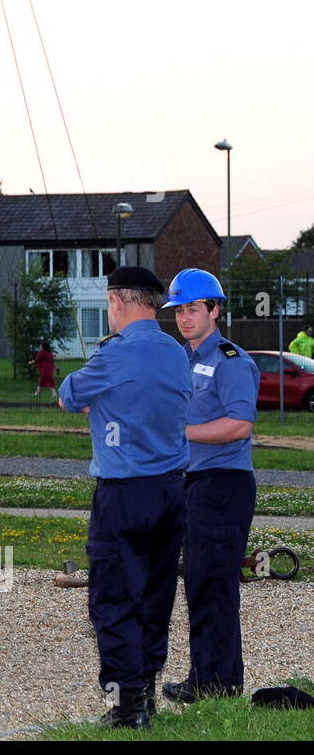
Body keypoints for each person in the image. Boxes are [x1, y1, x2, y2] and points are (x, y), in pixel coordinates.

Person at [57, 266, 191, 729]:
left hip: (122, 493)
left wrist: (102, 396)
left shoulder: (114, 356)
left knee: (114, 598)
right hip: (172, 490)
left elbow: (68, 396)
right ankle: (148, 694)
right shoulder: (176, 353)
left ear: (118, 301)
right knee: (156, 595)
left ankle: (126, 707)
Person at [160, 268, 260, 704]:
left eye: (193, 309)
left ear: (215, 310)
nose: (185, 317)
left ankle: (215, 682)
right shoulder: (180, 358)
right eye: (179, 310)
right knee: (200, 581)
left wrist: (179, 433)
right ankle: (213, 677)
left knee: (213, 581)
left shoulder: (230, 360)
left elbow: (239, 425)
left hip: (223, 484)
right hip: (192, 482)